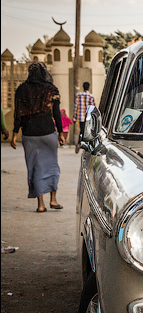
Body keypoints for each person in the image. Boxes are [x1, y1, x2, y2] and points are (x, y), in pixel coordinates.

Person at [10, 62, 66, 212]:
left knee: (35, 168)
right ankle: (53, 200)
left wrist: (15, 133)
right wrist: (60, 133)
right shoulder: (51, 89)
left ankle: (40, 204)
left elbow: (18, 114)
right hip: (48, 132)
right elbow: (56, 114)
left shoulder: (22, 90)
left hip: (29, 134)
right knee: (52, 165)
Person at [74, 81, 95, 150]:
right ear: (89, 87)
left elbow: (75, 107)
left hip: (80, 117)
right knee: (88, 131)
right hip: (88, 117)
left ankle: (79, 143)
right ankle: (85, 144)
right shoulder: (90, 96)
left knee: (82, 130)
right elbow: (93, 107)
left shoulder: (78, 95)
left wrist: (74, 117)